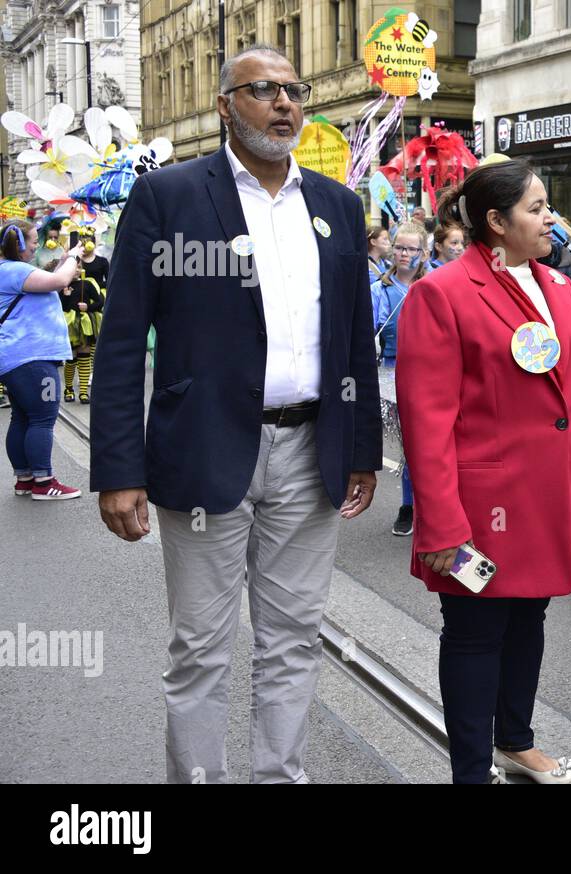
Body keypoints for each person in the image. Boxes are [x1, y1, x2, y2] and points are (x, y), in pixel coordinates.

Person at [90, 44, 383, 782]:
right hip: (205, 452)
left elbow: (354, 341)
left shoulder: (337, 206)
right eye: (263, 90)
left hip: (310, 448)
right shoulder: (172, 197)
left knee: (292, 641)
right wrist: (117, 469)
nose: (284, 103)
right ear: (227, 105)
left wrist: (361, 448)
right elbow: (122, 341)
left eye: (294, 90)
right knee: (201, 647)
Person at [397, 159, 571, 784]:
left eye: (548, 204)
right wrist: (441, 526)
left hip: (551, 501)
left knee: (529, 620)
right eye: (536, 208)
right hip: (477, 515)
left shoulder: (556, 287)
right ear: (495, 223)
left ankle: (515, 741)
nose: (551, 218)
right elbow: (426, 421)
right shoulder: (439, 295)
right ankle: (470, 769)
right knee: (474, 633)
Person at [0, 220, 83, 499]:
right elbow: (60, 282)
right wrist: (72, 257)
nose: (37, 245)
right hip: (32, 357)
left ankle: (25, 478)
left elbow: (48, 282)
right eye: (34, 241)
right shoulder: (13, 270)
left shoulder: (9, 271)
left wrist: (63, 262)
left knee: (23, 416)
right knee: (43, 418)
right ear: (19, 244)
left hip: (18, 358)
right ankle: (43, 481)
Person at [372, 221, 428, 536]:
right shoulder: (379, 289)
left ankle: (435, 505)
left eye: (411, 249)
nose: (404, 254)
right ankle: (408, 505)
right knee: (412, 445)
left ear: (423, 253)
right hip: (392, 372)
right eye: (399, 247)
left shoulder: (436, 284)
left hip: (433, 372)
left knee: (434, 444)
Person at [59, 229, 108, 404]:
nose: (78, 270)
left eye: (80, 267)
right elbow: (60, 308)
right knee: (71, 359)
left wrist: (88, 307)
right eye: (75, 267)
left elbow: (100, 301)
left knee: (85, 355)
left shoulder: (87, 285)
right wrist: (64, 296)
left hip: (85, 325)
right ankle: (69, 388)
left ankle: (84, 392)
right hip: (71, 326)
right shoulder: (63, 286)